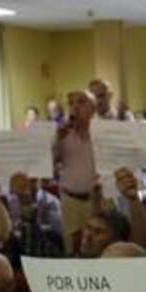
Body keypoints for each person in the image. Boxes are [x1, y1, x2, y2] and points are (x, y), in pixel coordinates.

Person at [57, 90, 100, 242]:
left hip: (100, 200)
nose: (75, 107)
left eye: (81, 102)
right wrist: (57, 140)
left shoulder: (104, 133)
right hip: (71, 201)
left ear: (93, 108)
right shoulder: (62, 134)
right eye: (71, 103)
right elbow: (49, 163)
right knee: (72, 248)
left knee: (100, 245)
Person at [7, 173, 65, 258]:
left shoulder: (50, 202)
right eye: (21, 185)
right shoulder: (8, 202)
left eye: (32, 181)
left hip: (42, 247)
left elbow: (57, 230)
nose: (29, 186)